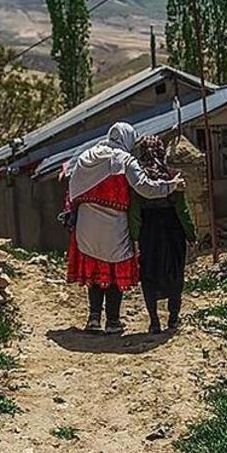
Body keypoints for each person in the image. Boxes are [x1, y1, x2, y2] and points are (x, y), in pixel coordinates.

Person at [64, 122, 183, 334]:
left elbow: (72, 188)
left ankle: (93, 318)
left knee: (95, 266)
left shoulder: (87, 156)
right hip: (113, 223)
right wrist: (171, 185)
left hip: (86, 222)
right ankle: (112, 321)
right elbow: (145, 187)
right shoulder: (125, 160)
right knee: (112, 269)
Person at [129, 135, 195, 334]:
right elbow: (182, 210)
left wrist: (134, 236)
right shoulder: (172, 176)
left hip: (149, 234)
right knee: (175, 272)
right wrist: (191, 234)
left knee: (149, 274)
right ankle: (173, 319)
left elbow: (134, 212)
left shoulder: (139, 180)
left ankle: (154, 321)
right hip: (172, 231)